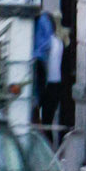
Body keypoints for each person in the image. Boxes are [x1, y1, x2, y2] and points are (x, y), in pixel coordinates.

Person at [32, 10, 64, 141]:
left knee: (39, 120)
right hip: (55, 84)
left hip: (46, 83)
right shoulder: (58, 41)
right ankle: (49, 146)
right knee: (47, 121)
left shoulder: (46, 42)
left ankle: (45, 145)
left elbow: (41, 59)